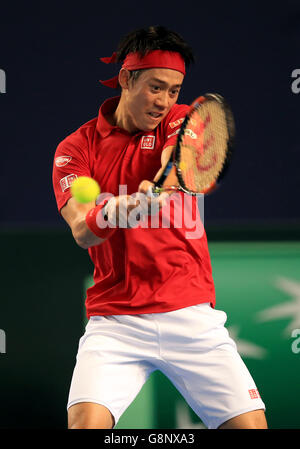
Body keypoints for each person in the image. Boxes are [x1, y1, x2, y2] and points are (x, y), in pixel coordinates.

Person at [52, 25, 268, 430]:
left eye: (174, 90)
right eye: (155, 87)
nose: (165, 101)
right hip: (115, 321)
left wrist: (157, 190)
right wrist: (119, 209)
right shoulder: (75, 149)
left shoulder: (181, 120)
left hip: (190, 313)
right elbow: (82, 230)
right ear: (125, 79)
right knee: (84, 425)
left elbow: (177, 162)